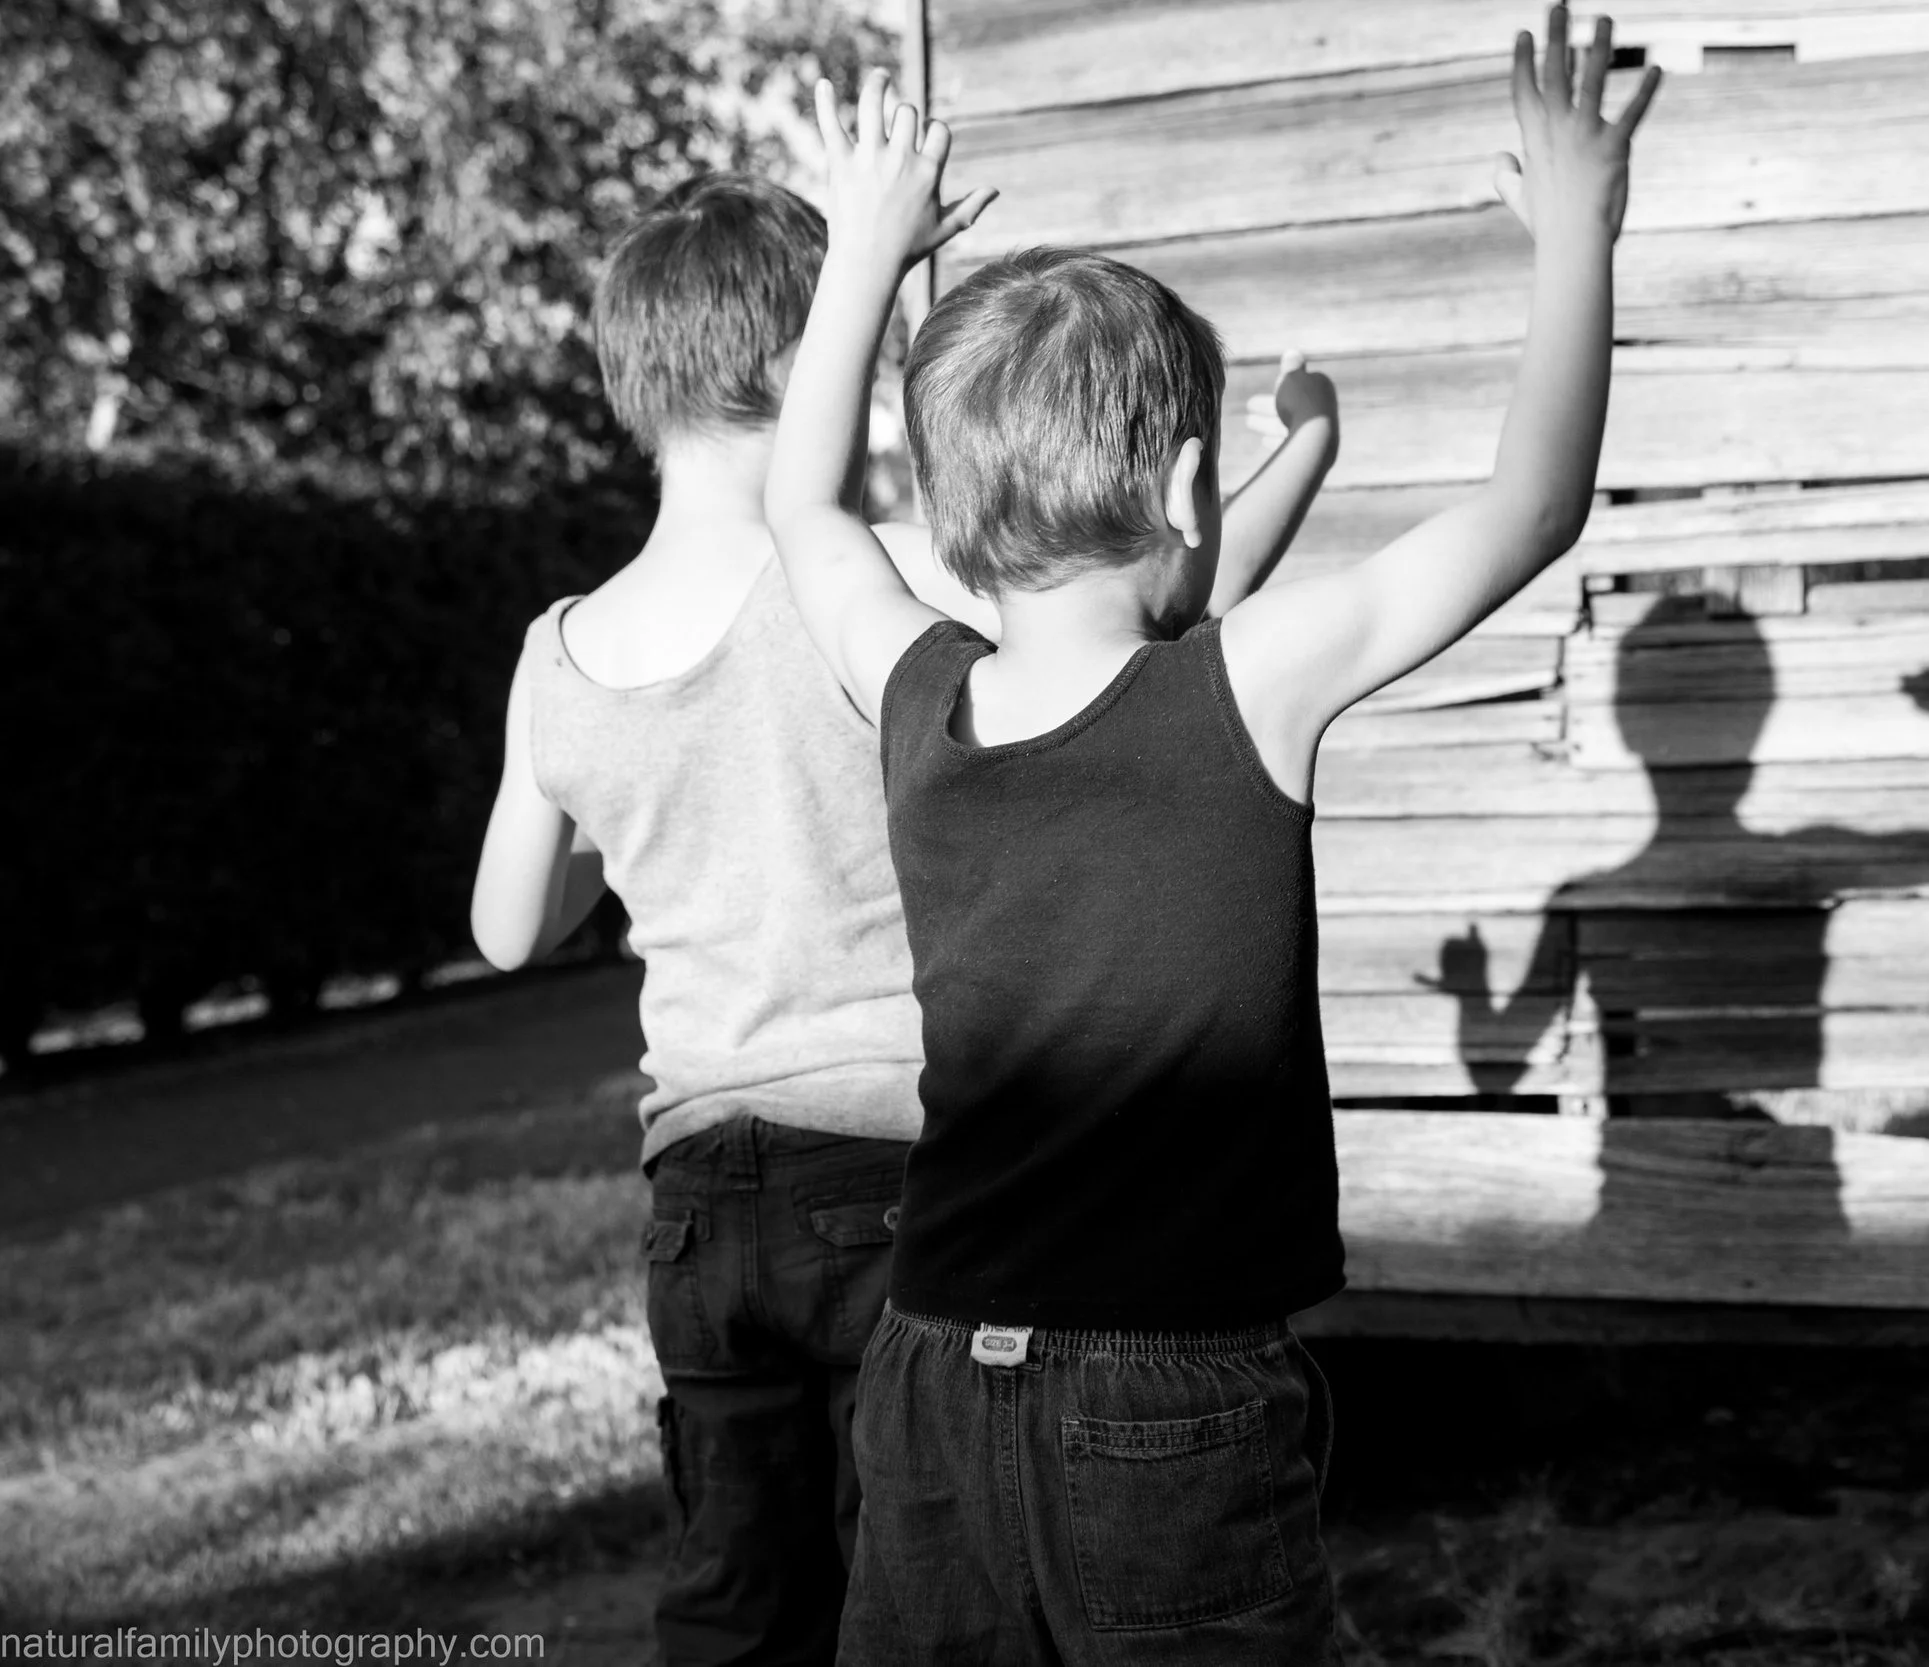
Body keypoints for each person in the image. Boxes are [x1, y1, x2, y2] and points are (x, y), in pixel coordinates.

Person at [760, 9, 1658, 1657]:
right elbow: (1533, 507)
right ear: (1187, 485)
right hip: (1166, 1399)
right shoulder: (1240, 687)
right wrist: (1578, 233)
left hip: (932, 1366)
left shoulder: (918, 693)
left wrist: (867, 252)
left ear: (956, 519)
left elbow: (805, 509)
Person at [465, 172, 1335, 1664]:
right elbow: (1162, 614)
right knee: (924, 1563)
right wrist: (1299, 456)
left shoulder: (561, 653)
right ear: (830, 356)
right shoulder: (899, 583)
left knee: (738, 1581)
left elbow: (506, 929)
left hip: (696, 1197)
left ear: (630, 374)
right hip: (890, 1178)